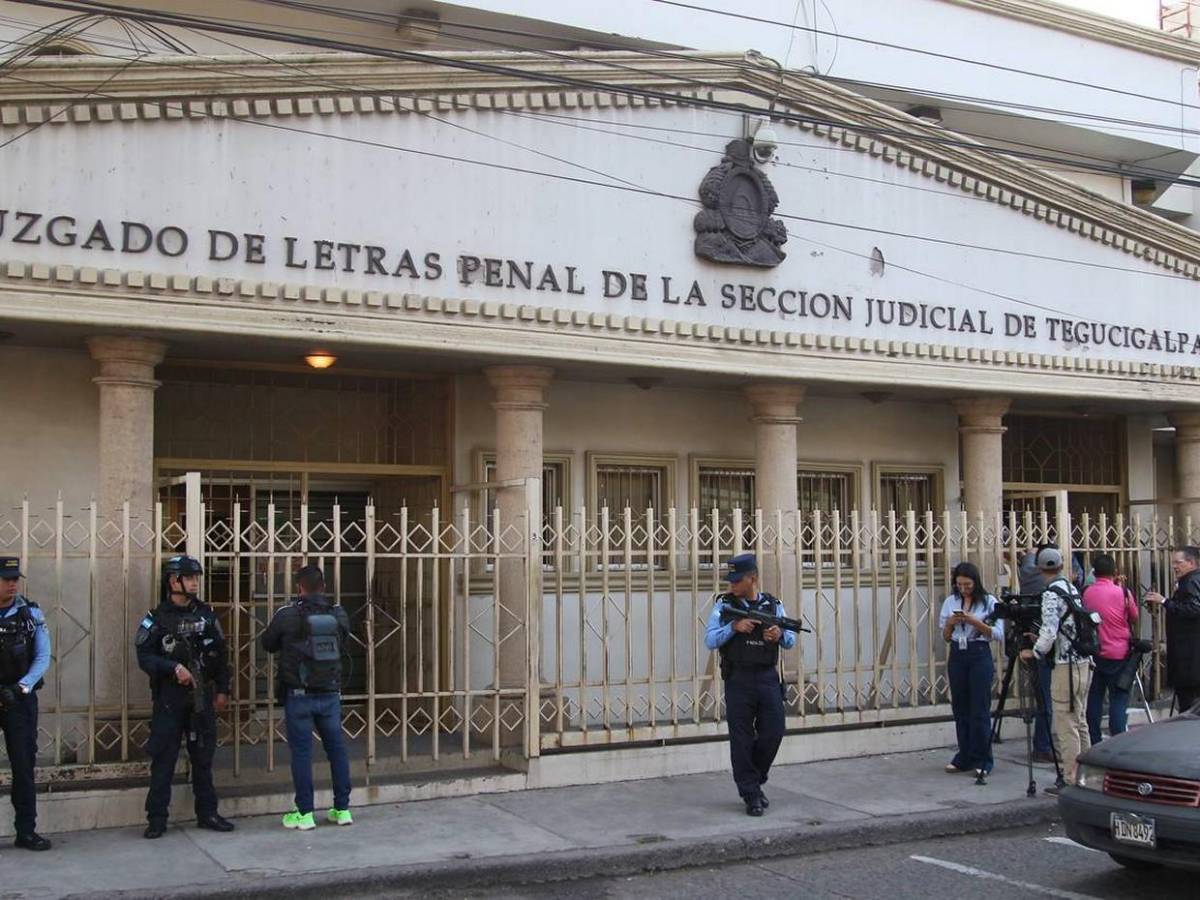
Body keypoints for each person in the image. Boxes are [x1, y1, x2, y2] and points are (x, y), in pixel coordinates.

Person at [136, 555, 235, 839]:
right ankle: (157, 819)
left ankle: (208, 813)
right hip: (169, 699)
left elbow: (221, 655)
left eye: (195, 578)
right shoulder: (156, 619)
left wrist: (223, 689)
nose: (194, 583)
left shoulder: (206, 615)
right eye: (189, 577)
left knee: (203, 760)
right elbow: (144, 656)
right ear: (173, 581)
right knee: (163, 761)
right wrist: (172, 668)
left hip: (201, 699)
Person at [704, 553, 796, 817]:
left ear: (752, 579)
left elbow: (790, 639)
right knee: (742, 739)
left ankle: (755, 780)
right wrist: (734, 627)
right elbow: (710, 640)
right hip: (739, 679)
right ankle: (750, 794)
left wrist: (778, 635)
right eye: (730, 580)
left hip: (767, 678)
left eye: (737, 580)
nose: (731, 585)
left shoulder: (773, 604)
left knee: (774, 731)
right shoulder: (724, 606)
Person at [262, 565, 353, 830]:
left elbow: (267, 644)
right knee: (336, 750)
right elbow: (344, 641)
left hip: (299, 695)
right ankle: (342, 808)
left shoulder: (286, 614)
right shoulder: (337, 613)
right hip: (330, 694)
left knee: (302, 753)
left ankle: (304, 813)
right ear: (323, 587)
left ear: (299, 587)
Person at [1019, 547, 1090, 792]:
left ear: (1039, 569)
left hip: (1065, 666)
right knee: (1080, 721)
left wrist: (1035, 650)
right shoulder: (1072, 589)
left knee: (1065, 722)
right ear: (1062, 566)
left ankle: (1071, 778)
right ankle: (1087, 775)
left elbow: (1050, 630)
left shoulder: (1051, 593)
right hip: (1082, 663)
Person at [0, 557, 52, 851]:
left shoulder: (30, 613)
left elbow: (43, 656)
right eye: (6, 579)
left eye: (14, 579)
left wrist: (21, 687)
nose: (12, 584)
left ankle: (26, 831)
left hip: (19, 699)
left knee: (23, 767)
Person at [938, 561, 1003, 777]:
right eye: (959, 585)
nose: (963, 589)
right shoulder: (950, 602)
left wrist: (975, 622)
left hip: (979, 653)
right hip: (958, 653)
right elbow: (946, 637)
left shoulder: (989, 602)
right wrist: (950, 623)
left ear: (975, 582)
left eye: (967, 585)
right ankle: (964, 755)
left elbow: (998, 634)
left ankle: (983, 758)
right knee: (961, 707)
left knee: (979, 708)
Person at [1082, 554, 1138, 743]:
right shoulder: (1122, 592)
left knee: (1095, 696)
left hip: (1096, 651)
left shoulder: (1086, 592)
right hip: (1119, 651)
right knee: (1118, 697)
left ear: (1094, 572)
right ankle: (1119, 738)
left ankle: (1094, 737)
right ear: (1114, 572)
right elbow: (1134, 616)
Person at [1145, 546, 1200, 715]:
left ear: (1191, 563)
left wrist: (1164, 602)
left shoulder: (1191, 581)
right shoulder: (1190, 580)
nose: (1174, 566)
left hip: (1189, 658)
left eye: (1178, 562)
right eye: (1173, 563)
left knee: (1189, 708)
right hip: (1190, 657)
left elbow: (1194, 608)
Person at [1017, 546, 1056, 764]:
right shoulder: (1053, 586)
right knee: (1046, 701)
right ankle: (1042, 746)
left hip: (1032, 640)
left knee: (1044, 700)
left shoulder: (1029, 571)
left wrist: (1028, 555)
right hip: (1043, 648)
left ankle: (1042, 745)